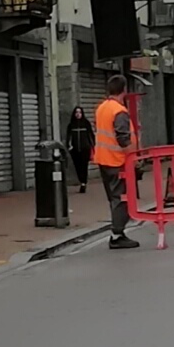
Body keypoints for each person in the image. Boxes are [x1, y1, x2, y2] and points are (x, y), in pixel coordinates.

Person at [92, 74, 141, 250]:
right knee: (122, 198)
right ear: (124, 90)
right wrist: (133, 160)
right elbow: (123, 138)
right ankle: (117, 235)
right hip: (117, 161)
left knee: (114, 198)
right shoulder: (119, 111)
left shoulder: (101, 108)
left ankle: (118, 232)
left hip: (103, 160)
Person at [64, 106, 94, 194]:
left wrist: (93, 146)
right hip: (75, 149)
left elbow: (91, 135)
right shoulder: (71, 125)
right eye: (76, 112)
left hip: (85, 148)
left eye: (80, 112)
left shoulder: (86, 123)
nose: (78, 114)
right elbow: (68, 137)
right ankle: (81, 181)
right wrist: (68, 146)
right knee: (77, 167)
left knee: (84, 166)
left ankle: (83, 183)